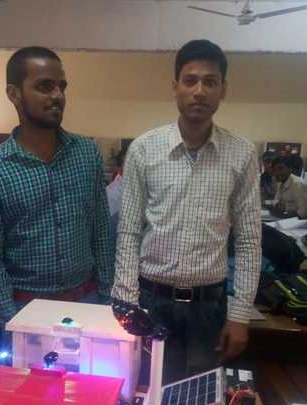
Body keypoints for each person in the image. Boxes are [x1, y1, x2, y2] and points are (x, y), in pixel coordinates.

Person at [112, 39, 261, 384]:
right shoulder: (144, 149)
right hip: (150, 300)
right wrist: (126, 302)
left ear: (223, 89)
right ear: (175, 86)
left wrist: (240, 315)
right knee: (142, 391)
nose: (199, 91)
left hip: (208, 308)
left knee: (197, 404)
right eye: (190, 80)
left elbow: (249, 240)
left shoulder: (242, 154)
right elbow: (129, 231)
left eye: (210, 82)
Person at [0, 47, 115, 327]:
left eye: (62, 87)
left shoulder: (86, 154)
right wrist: (11, 323)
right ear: (14, 93)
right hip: (26, 309)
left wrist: (107, 301)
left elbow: (100, 232)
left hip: (88, 301)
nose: (57, 96)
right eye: (45, 86)